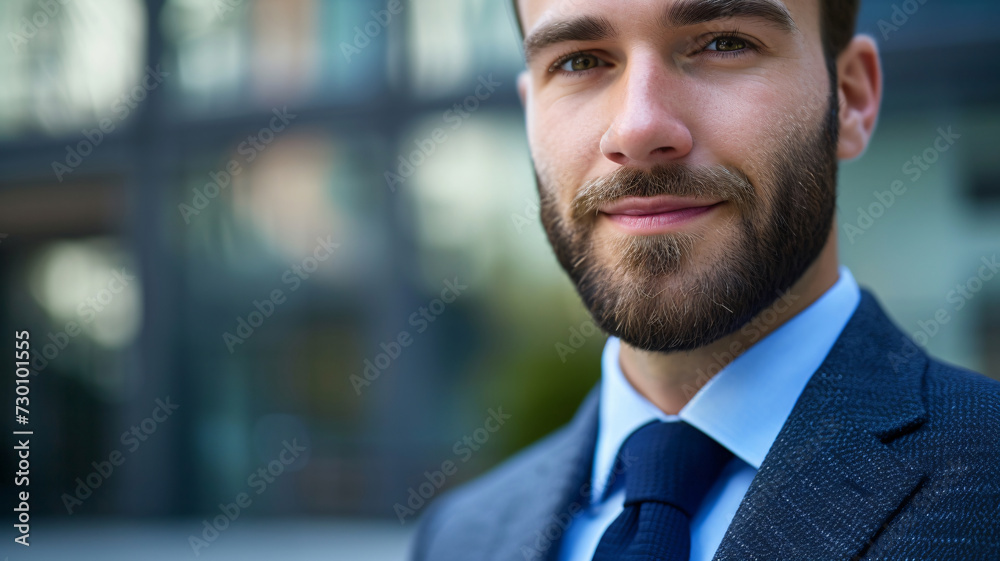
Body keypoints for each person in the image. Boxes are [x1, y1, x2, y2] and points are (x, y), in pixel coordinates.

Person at [410, 0, 1000, 559]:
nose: (638, 129)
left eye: (724, 43)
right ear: (530, 112)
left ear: (851, 98)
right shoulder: (459, 537)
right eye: (579, 62)